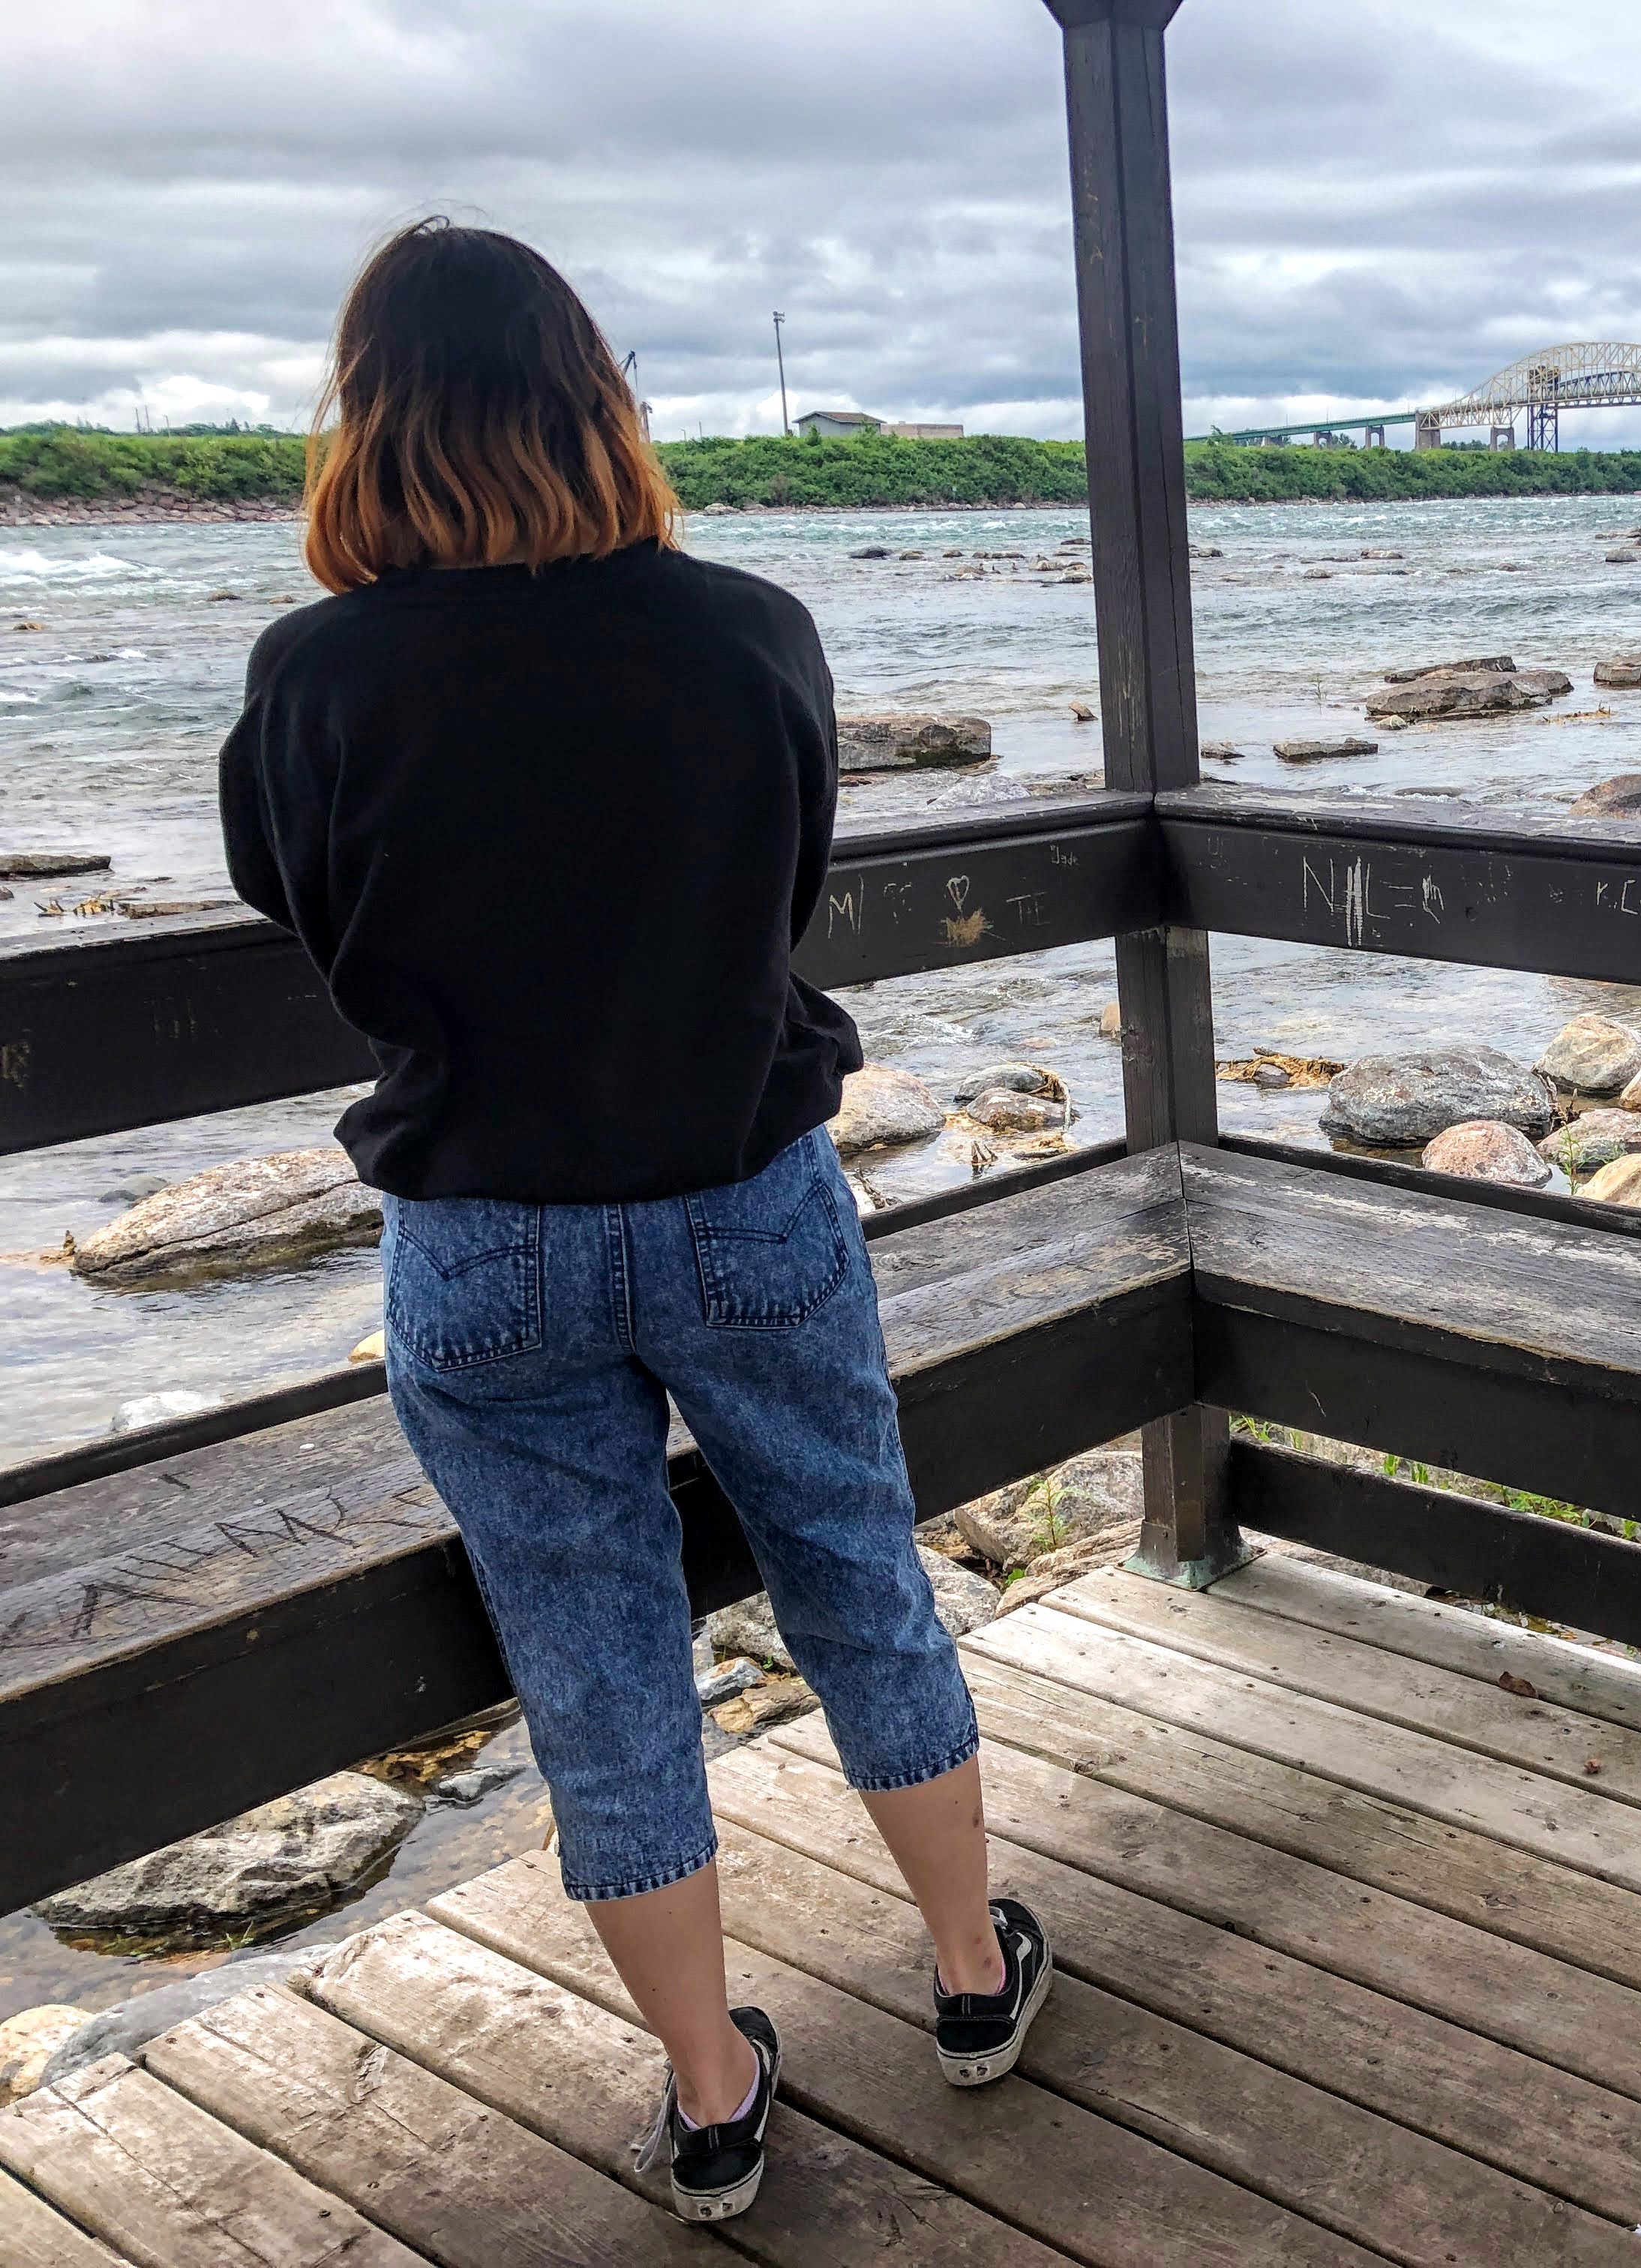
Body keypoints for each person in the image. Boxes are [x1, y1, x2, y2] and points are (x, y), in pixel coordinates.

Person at [219, 218, 1049, 2224]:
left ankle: (711, 2094)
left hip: (484, 1227)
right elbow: (789, 872)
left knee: (593, 1656)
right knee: (853, 1566)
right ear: (599, 402)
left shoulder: (318, 672)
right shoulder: (747, 629)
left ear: (367, 420)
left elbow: (286, 890)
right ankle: (966, 1972)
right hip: (745, 1190)